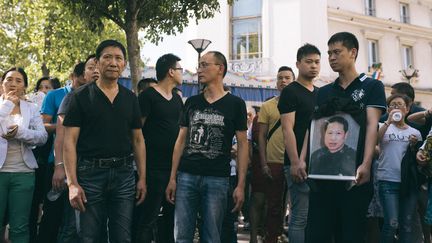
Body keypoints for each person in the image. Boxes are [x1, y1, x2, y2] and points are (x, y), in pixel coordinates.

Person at [63, 39, 147, 243]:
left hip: (124, 175)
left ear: (124, 65)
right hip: (89, 174)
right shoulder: (80, 97)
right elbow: (69, 142)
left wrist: (142, 177)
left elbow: (137, 140)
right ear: (97, 62)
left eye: (118, 58)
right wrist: (72, 183)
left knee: (122, 237)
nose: (113, 62)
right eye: (107, 57)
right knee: (88, 236)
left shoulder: (130, 98)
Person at [306, 32, 386, 243]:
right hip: (322, 177)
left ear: (353, 53)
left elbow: (371, 127)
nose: (331, 57)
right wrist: (303, 161)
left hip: (355, 177)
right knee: (317, 233)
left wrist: (366, 164)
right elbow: (314, 128)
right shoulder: (323, 92)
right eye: (329, 53)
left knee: (351, 233)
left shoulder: (372, 87)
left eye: (337, 52)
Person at [165, 51, 248, 243]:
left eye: (204, 65)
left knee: (212, 236)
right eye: (199, 65)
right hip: (187, 176)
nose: (199, 70)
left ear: (220, 69)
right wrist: (172, 178)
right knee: (182, 236)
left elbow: (243, 145)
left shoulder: (236, 104)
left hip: (218, 178)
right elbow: (180, 141)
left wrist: (241, 185)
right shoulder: (192, 102)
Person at [133, 54, 183, 243]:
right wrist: (142, 176)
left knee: (170, 220)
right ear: (171, 71)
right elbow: (136, 134)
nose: (182, 73)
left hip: (174, 171)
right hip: (152, 169)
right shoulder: (148, 96)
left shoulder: (177, 100)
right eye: (179, 69)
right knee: (148, 219)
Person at [37, 62, 87, 243]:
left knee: (74, 220)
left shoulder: (92, 97)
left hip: (83, 165)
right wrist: (64, 124)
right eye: (89, 70)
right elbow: (43, 125)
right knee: (52, 215)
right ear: (78, 76)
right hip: (56, 162)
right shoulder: (56, 95)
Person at [53, 55, 100, 243]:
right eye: (90, 68)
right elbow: (61, 138)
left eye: (98, 66)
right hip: (78, 170)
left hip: (103, 173)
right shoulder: (72, 98)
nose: (95, 70)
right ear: (83, 75)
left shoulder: (115, 98)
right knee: (72, 225)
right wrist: (59, 167)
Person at [278, 43, 321, 243]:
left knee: (316, 216)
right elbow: (288, 129)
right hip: (297, 163)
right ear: (298, 63)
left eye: (317, 62)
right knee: (299, 217)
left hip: (320, 163)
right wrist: (295, 162)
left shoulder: (321, 93)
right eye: (309, 61)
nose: (314, 66)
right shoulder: (291, 91)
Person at [0, 67, 48, 243]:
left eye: (19, 81)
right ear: (2, 83)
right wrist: (7, 105)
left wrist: (20, 132)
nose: (13, 84)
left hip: (24, 172)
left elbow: (42, 137)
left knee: (20, 225)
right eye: (9, 79)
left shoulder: (32, 108)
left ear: (25, 86)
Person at [377, 94, 422, 243]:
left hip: (408, 183)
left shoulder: (415, 133)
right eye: (392, 105)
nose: (396, 108)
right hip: (387, 180)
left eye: (400, 105)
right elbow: (374, 140)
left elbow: (421, 160)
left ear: (407, 109)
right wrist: (388, 122)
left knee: (407, 225)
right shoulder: (382, 127)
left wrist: (415, 146)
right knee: (391, 223)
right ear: (388, 109)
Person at [256, 66, 293, 243]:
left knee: (297, 206)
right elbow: (261, 137)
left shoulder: (300, 104)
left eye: (287, 78)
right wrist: (263, 164)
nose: (283, 81)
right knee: (273, 206)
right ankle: (271, 238)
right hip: (273, 162)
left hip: (295, 162)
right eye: (280, 78)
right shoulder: (267, 106)